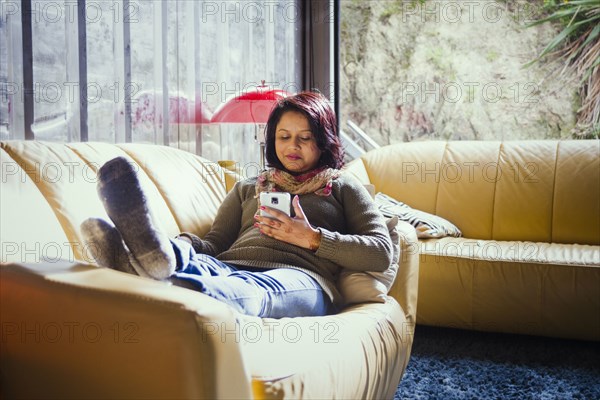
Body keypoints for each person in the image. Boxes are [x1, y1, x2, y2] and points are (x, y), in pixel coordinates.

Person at [81, 91, 393, 318]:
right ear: (272, 140)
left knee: (259, 293)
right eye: (283, 136)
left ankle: (139, 272)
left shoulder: (342, 186)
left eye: (305, 137)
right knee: (197, 261)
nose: (292, 146)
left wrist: (311, 238)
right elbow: (215, 244)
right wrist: (186, 244)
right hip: (227, 266)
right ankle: (157, 251)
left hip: (300, 278)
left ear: (323, 140)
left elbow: (380, 253)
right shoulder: (248, 187)